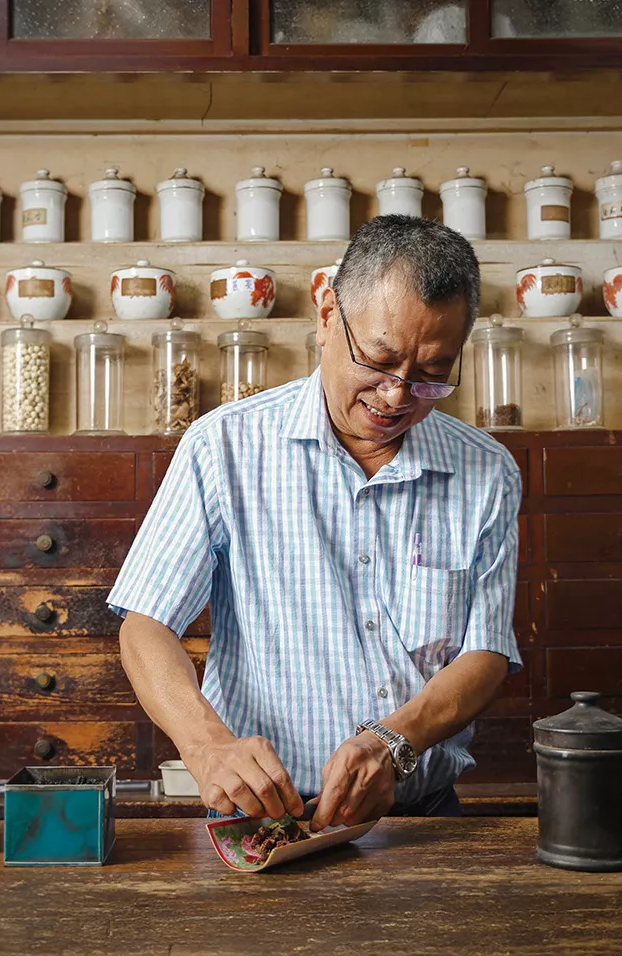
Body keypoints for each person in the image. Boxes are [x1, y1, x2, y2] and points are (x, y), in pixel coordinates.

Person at [108, 215, 522, 828]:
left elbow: (485, 652)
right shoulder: (223, 448)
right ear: (327, 313)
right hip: (262, 818)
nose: (397, 394)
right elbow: (145, 625)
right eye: (378, 359)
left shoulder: (486, 471)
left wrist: (394, 740)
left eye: (433, 373)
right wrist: (205, 746)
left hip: (423, 821)